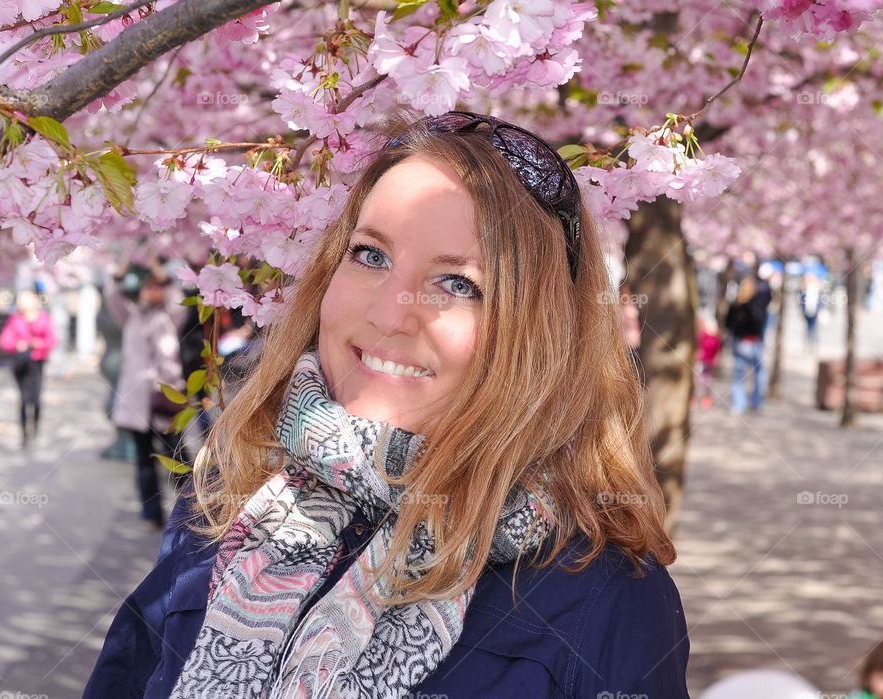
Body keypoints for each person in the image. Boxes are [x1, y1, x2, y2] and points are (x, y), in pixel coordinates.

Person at [84, 111, 690, 698]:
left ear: (538, 336)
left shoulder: (605, 597)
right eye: (371, 255)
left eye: (458, 284)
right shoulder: (231, 499)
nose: (387, 313)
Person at [103, 256, 188, 529]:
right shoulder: (130, 317)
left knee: (177, 457)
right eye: (147, 286)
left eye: (157, 287)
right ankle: (152, 516)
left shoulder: (170, 316)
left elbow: (177, 297)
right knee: (144, 462)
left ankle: (190, 510)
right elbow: (112, 296)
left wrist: (157, 270)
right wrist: (123, 266)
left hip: (165, 399)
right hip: (136, 401)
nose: (152, 291)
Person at [0, 289, 57, 447]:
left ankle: (35, 427)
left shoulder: (44, 318)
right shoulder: (15, 320)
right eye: (21, 300)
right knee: (24, 399)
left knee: (35, 399)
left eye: (27, 299)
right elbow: (4, 341)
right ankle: (24, 434)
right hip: (20, 363)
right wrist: (17, 345)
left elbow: (52, 340)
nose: (23, 303)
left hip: (37, 363)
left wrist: (37, 343)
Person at [725, 277, 768, 414]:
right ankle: (755, 402)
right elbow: (759, 323)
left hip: (741, 341)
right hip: (752, 342)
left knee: (740, 375)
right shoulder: (755, 305)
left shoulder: (737, 304)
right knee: (758, 374)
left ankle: (740, 404)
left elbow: (728, 324)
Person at [696, 310, 722, 409]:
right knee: (700, 380)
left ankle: (705, 399)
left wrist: (716, 357)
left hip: (708, 361)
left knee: (706, 381)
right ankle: (698, 398)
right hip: (702, 360)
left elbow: (717, 348)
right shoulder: (703, 334)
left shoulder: (710, 336)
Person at [800, 272, 822, 350]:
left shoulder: (817, 291)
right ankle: (808, 346)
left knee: (814, 328)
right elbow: (801, 303)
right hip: (807, 313)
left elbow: (820, 303)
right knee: (808, 329)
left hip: (815, 313)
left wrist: (819, 310)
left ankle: (814, 346)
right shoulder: (804, 291)